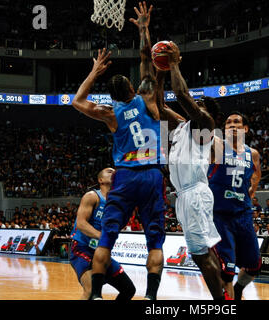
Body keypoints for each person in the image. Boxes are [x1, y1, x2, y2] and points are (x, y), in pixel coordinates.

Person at [72, 3, 166, 300]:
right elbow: (145, 57)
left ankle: (97, 295)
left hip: (125, 176)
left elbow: (77, 101)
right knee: (155, 246)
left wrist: (94, 70)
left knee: (106, 242)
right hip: (151, 173)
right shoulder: (147, 97)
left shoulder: (111, 113)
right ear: (131, 85)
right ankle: (151, 298)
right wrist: (143, 28)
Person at [156, 42, 226, 300]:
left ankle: (221, 302)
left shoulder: (206, 124)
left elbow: (181, 95)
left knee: (200, 255)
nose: (194, 105)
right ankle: (224, 297)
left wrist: (173, 62)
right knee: (202, 254)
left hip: (195, 194)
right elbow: (159, 106)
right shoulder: (183, 126)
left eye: (199, 104)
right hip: (185, 195)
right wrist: (160, 71)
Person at [208, 111, 262, 300]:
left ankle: (238, 290)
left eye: (237, 122)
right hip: (220, 216)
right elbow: (199, 126)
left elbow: (257, 174)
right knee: (227, 269)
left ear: (245, 129)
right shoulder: (217, 145)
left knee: (255, 265)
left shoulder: (252, 154)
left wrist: (252, 190)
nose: (231, 124)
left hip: (244, 215)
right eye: (228, 122)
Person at [69, 168, 135, 300]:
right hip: (82, 248)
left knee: (129, 290)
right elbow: (81, 224)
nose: (114, 172)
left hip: (101, 253)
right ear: (101, 180)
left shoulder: (118, 203)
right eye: (109, 172)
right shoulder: (92, 196)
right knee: (91, 290)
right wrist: (102, 236)